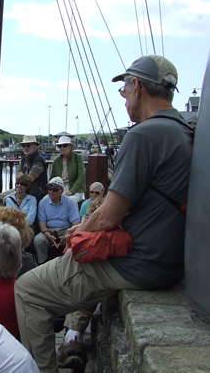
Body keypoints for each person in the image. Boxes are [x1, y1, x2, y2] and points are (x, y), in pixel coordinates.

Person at [15, 55, 193, 372]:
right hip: (169, 261)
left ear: (137, 86)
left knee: (27, 290)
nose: (124, 97)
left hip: (137, 263)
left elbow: (109, 215)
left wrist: (81, 227)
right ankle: (71, 328)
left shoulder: (143, 135)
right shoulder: (184, 131)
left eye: (124, 89)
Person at [33, 176, 80, 264]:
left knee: (73, 240)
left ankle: (68, 263)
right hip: (49, 230)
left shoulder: (70, 202)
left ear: (61, 191)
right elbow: (42, 223)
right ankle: (42, 263)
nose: (51, 192)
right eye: (49, 189)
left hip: (66, 229)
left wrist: (67, 236)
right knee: (38, 240)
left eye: (54, 190)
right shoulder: (43, 202)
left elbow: (76, 222)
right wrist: (48, 236)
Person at [51, 135, 86, 204]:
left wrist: (72, 191)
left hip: (75, 190)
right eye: (60, 146)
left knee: (71, 201)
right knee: (45, 200)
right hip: (59, 189)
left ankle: (74, 215)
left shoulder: (78, 158)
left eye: (65, 145)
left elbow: (81, 176)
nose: (62, 148)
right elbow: (53, 177)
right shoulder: (56, 161)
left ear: (70, 147)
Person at [17, 135, 48, 202]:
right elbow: (17, 176)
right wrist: (22, 176)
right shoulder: (23, 159)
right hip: (24, 189)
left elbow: (30, 179)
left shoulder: (39, 160)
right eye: (23, 146)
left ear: (35, 146)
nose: (25, 148)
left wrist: (21, 175)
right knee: (3, 197)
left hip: (36, 192)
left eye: (28, 145)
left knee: (9, 199)